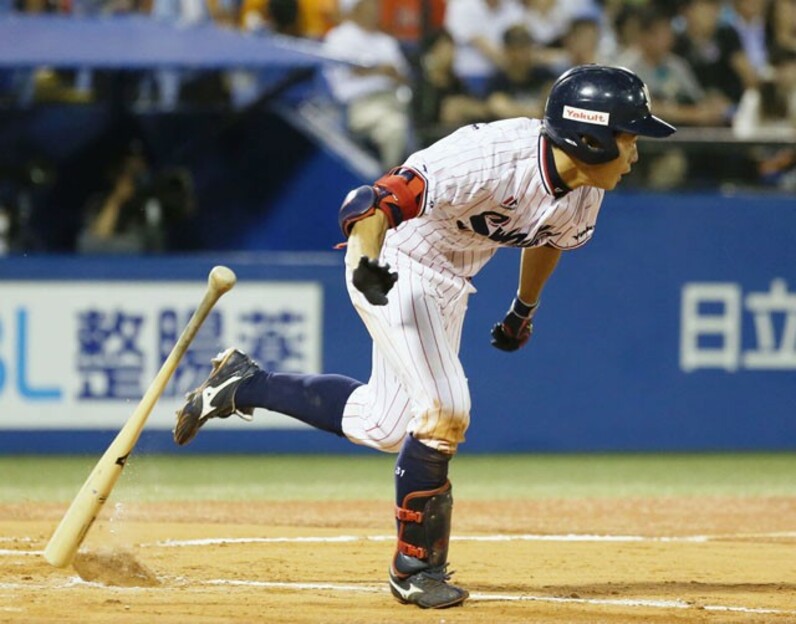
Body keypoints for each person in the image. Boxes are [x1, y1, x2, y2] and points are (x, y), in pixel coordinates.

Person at [172, 64, 675, 609]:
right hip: (394, 261)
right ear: (590, 137)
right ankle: (415, 568)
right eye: (629, 137)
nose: (636, 153)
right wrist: (366, 261)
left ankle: (244, 383)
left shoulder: (584, 189)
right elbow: (372, 201)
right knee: (444, 409)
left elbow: (547, 239)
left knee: (384, 424)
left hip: (449, 282)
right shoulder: (491, 154)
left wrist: (522, 309)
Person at [322, 0, 412, 169]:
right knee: (394, 127)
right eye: (368, 4)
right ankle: (388, 185)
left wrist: (383, 71)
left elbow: (403, 76)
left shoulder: (386, 41)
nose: (374, 9)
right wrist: (380, 70)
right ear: (355, 8)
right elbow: (348, 71)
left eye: (375, 5)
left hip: (393, 100)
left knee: (410, 124)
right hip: (360, 105)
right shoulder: (339, 37)